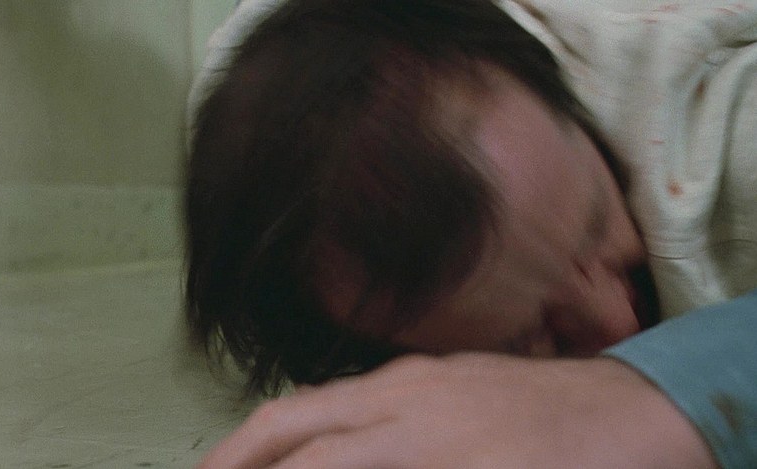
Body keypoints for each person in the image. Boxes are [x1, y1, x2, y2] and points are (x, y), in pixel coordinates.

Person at [185, 0, 757, 466]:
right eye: (538, 337)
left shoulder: (721, 135)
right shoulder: (271, 168)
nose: (620, 321)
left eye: (597, 221)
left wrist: (659, 392)